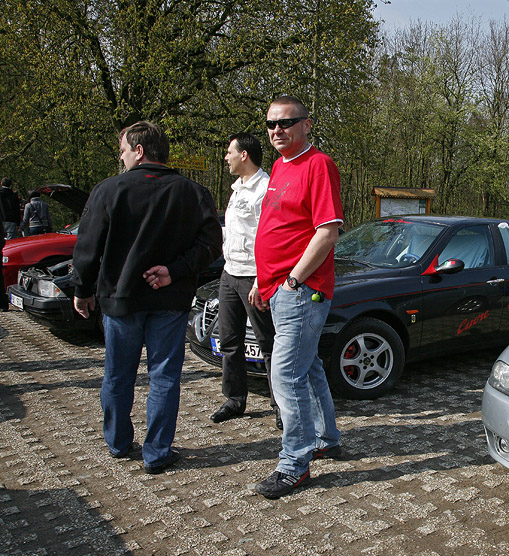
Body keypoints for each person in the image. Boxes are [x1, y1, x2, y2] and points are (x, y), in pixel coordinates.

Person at [72, 121, 222, 474]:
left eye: (123, 151)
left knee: (118, 375)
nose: (121, 158)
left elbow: (87, 247)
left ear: (139, 151)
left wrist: (82, 289)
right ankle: (156, 453)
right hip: (169, 300)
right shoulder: (193, 193)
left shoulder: (109, 190)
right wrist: (176, 270)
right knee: (164, 377)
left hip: (122, 299)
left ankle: (118, 443)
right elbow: (212, 244)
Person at [251, 95, 343, 499]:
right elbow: (280, 228)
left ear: (306, 124)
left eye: (286, 122)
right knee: (308, 368)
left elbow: (327, 232)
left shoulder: (318, 165)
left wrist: (292, 280)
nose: (277, 130)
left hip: (303, 292)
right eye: (271, 124)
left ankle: (294, 464)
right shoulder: (279, 166)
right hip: (278, 288)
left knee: (286, 375)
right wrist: (263, 280)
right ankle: (326, 438)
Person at [209, 132, 279, 427]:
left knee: (268, 343)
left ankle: (281, 406)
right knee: (230, 341)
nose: (226, 157)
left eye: (229, 152)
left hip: (254, 276)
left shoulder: (264, 189)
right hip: (230, 273)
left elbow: (270, 239)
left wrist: (262, 281)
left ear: (244, 155)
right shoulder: (237, 188)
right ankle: (235, 400)